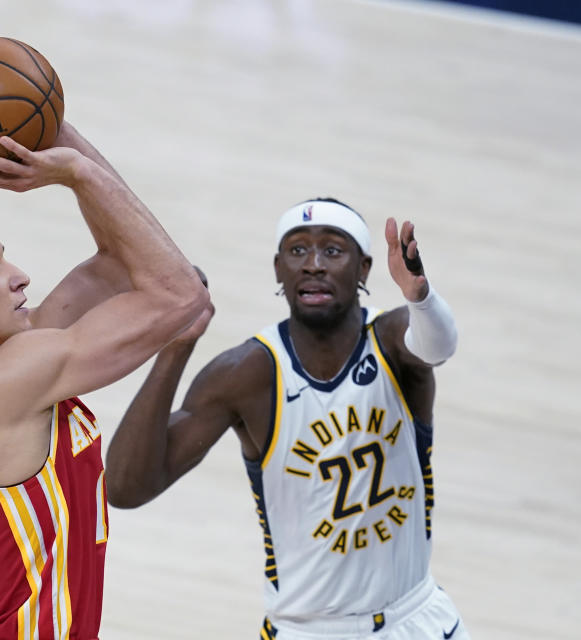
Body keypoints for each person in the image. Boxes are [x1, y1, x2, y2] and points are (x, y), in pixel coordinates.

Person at [0, 123, 208, 639]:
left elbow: (118, 260)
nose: (19, 275)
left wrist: (52, 127)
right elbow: (181, 294)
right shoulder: (7, 386)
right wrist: (74, 172)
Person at [105, 198, 470, 639]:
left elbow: (439, 346)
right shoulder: (246, 374)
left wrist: (421, 299)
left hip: (414, 618)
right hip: (308, 630)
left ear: (365, 269)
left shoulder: (393, 341)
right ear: (278, 269)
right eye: (297, 251)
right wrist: (175, 346)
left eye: (333, 251)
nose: (313, 264)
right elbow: (125, 488)